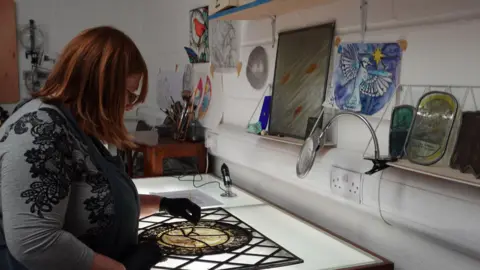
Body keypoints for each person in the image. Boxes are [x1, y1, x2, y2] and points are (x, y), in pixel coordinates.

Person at [0, 26, 201, 270]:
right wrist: (123, 269)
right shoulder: (39, 129)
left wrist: (163, 204)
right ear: (98, 84)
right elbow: (36, 243)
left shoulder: (77, 125)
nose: (129, 105)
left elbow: (97, 204)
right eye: (127, 94)